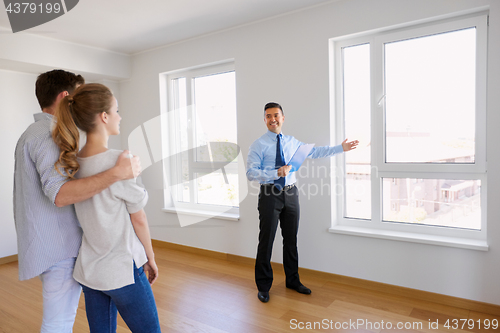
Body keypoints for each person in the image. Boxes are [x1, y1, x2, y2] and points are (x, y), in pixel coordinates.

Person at [13, 69, 141, 332]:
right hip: (60, 247)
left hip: (54, 244)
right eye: (77, 97)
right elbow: (60, 195)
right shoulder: (47, 134)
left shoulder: (34, 132)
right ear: (65, 97)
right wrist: (117, 173)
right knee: (59, 321)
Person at [52, 83, 161, 333]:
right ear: (104, 116)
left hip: (91, 272)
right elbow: (139, 218)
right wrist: (150, 258)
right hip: (123, 270)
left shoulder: (72, 162)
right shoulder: (119, 161)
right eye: (116, 111)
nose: (119, 117)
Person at [246, 102, 358, 303]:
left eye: (276, 115)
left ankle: (293, 280)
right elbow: (251, 173)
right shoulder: (258, 144)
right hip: (270, 194)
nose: (273, 119)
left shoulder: (291, 142)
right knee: (266, 241)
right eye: (269, 116)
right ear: (264, 120)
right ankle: (263, 286)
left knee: (291, 240)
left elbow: (315, 152)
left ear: (283, 117)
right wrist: (274, 173)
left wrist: (341, 148)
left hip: (291, 194)